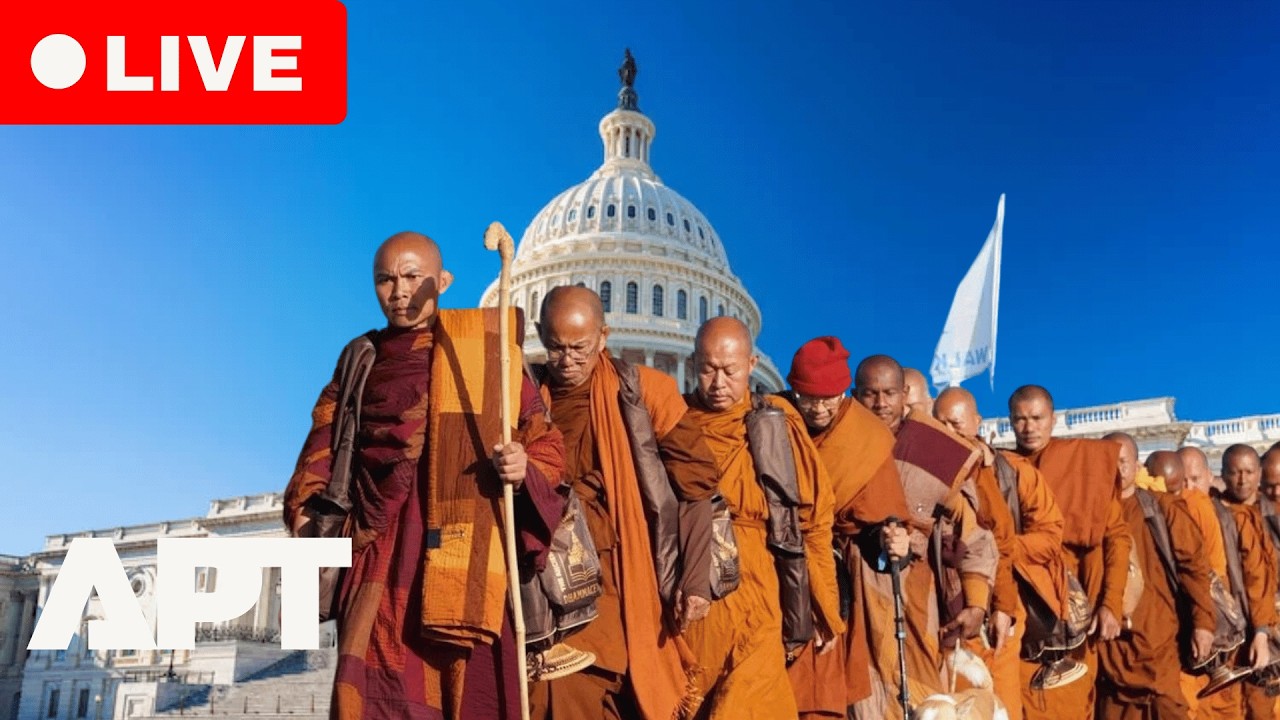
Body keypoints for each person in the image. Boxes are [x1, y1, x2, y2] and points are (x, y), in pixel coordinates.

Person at [282, 232, 568, 720]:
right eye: (385, 280)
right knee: (371, 692)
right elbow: (321, 447)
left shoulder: (485, 351)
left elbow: (545, 442)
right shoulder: (361, 359)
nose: (399, 292)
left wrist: (524, 468)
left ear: (444, 281)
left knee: (469, 692)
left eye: (413, 277)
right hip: (379, 550)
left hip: (468, 550)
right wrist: (311, 524)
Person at [528, 286, 721, 719]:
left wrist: (694, 580)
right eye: (556, 347)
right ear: (539, 335)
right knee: (548, 692)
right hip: (542, 574)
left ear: (603, 337)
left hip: (620, 568)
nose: (567, 360)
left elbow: (697, 484)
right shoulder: (526, 398)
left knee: (598, 682)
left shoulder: (646, 391)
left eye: (579, 348)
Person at [682, 317, 845, 718]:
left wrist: (825, 606)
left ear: (751, 364)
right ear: (692, 364)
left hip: (760, 584)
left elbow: (813, 521)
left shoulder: (775, 422)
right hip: (696, 583)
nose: (719, 383)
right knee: (695, 699)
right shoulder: (675, 420)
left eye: (730, 371)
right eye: (708, 370)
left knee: (756, 698)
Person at [853, 355, 997, 719]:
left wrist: (976, 601)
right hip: (855, 591)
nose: (880, 403)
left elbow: (974, 534)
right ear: (855, 395)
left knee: (923, 697)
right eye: (870, 394)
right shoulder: (842, 443)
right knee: (865, 698)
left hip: (917, 594)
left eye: (889, 393)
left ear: (904, 395)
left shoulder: (935, 449)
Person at [779, 337, 911, 719]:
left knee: (819, 690)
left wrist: (891, 542)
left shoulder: (865, 436)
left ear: (843, 394)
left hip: (831, 575)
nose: (819, 409)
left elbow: (878, 519)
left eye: (829, 399)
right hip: (773, 564)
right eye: (809, 399)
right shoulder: (773, 419)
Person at [934, 386, 1070, 718]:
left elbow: (1049, 535)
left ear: (977, 422)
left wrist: (988, 554)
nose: (949, 433)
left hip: (1002, 603)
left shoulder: (1008, 471)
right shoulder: (929, 467)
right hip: (945, 606)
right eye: (941, 424)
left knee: (1002, 702)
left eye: (956, 424)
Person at [1006, 384, 1133, 720]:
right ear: (1010, 421)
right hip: (1022, 605)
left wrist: (1111, 603)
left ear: (1053, 419)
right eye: (1020, 419)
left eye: (1037, 418)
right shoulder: (1004, 468)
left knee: (1069, 702)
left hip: (1076, 608)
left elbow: (1117, 538)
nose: (1029, 427)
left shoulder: (1085, 464)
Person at [1095, 434, 1216, 719]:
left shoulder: (1162, 508)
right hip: (1110, 642)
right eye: (1108, 462)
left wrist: (1203, 624)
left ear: (1137, 466)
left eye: (1123, 462)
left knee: (1168, 707)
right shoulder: (1091, 514)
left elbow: (1195, 568)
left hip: (1159, 637)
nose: (1116, 469)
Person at [1217, 444, 1279, 720]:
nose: (1242, 480)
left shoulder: (1271, 512)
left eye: (1249, 472)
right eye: (1235, 473)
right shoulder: (1218, 514)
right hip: (1239, 625)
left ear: (1258, 473)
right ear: (1223, 475)